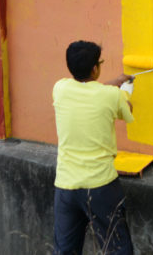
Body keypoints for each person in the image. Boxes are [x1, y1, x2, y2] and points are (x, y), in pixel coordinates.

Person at [52, 40, 135, 254]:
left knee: (66, 250)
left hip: (66, 187)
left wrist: (114, 82)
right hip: (101, 187)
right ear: (95, 68)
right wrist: (124, 91)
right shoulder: (112, 96)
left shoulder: (60, 88)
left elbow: (89, 91)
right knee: (117, 248)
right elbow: (127, 111)